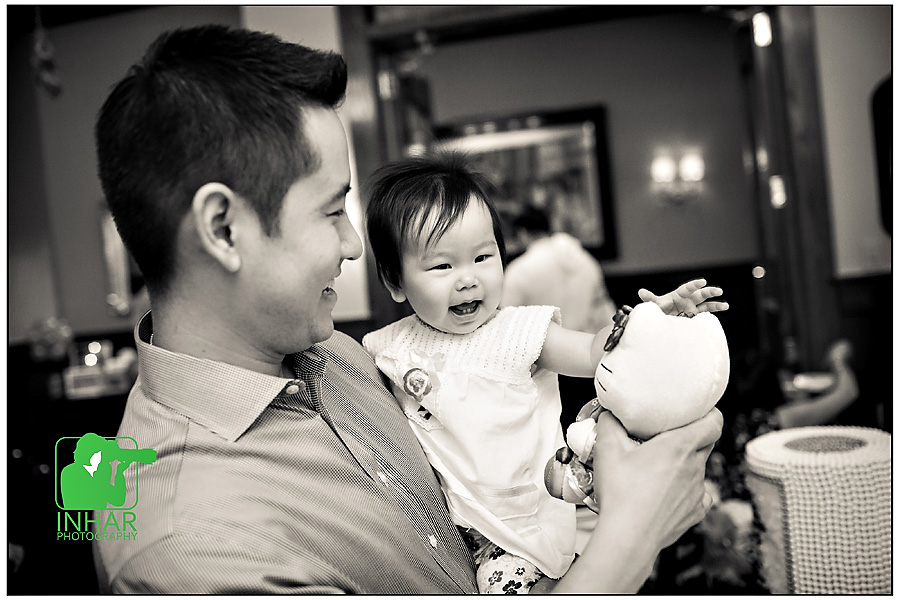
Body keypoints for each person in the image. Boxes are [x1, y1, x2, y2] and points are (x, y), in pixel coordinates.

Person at [92, 24, 723, 594]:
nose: (352, 245)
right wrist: (632, 537)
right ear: (224, 228)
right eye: (332, 211)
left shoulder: (342, 356)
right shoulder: (190, 553)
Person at [362, 152, 728, 593]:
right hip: (443, 528)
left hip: (521, 522)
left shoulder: (518, 333)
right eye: (442, 265)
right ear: (395, 281)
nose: (468, 279)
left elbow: (594, 349)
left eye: (483, 257)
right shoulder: (387, 348)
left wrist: (653, 321)